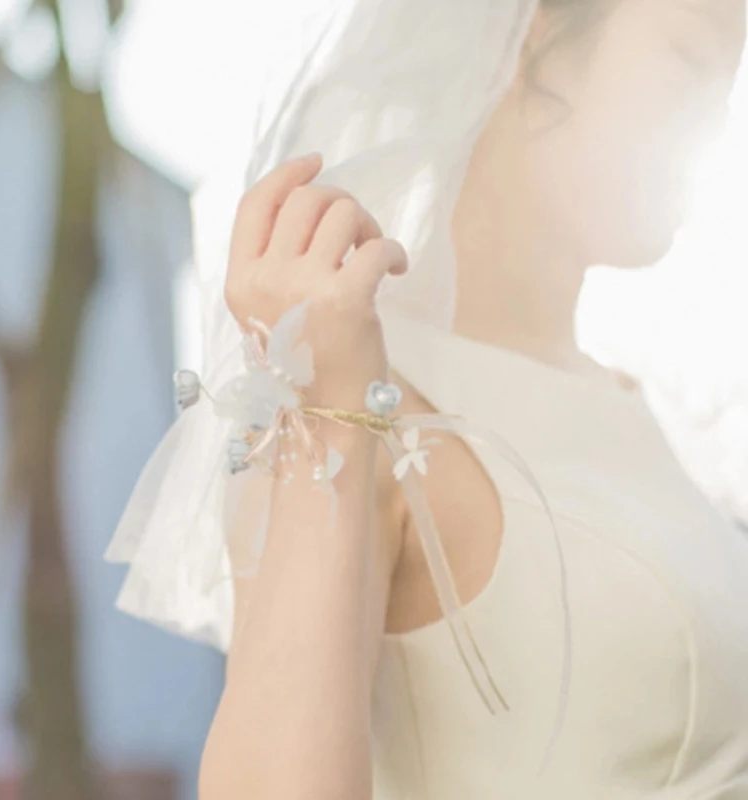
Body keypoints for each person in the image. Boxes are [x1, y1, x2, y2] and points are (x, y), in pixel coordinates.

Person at [106, 1, 748, 798]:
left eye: (731, 82)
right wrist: (338, 416)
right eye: (693, 61)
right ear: (534, 33)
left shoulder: (637, 412)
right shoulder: (358, 407)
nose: (722, 121)